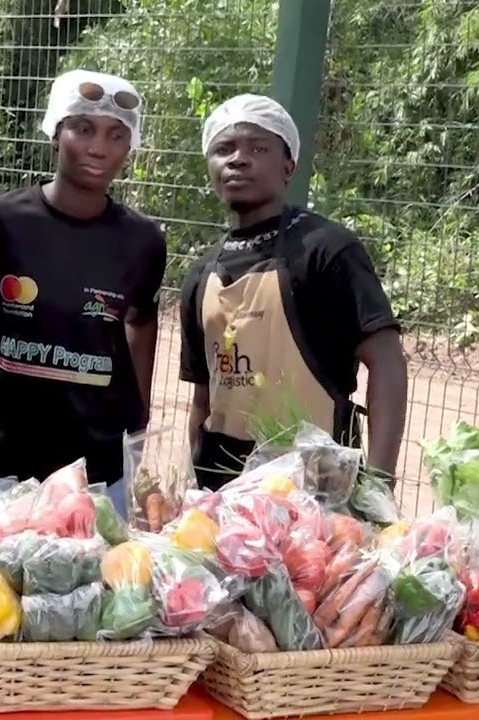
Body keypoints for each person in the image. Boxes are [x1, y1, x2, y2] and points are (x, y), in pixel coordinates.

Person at [0, 69, 167, 515]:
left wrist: (138, 420)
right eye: (83, 129)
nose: (98, 147)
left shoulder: (143, 241)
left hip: (96, 476)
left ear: (131, 146)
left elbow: (140, 321)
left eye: (116, 135)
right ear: (55, 133)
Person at [179, 94, 408, 490]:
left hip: (315, 489)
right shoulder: (201, 275)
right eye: (224, 149)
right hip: (222, 490)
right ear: (209, 166)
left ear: (289, 165)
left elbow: (387, 361)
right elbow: (205, 398)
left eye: (258, 148)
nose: (238, 158)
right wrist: (193, 486)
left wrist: (380, 484)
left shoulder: (327, 250)